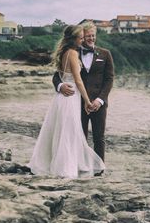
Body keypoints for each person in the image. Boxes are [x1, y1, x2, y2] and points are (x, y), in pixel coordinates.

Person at [29, 25, 105, 178]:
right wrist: (86, 100)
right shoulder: (72, 53)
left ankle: (69, 164)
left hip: (65, 99)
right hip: (70, 97)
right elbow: (77, 80)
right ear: (74, 39)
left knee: (65, 132)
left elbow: (108, 79)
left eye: (87, 37)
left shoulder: (66, 52)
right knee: (68, 133)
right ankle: (66, 168)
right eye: (82, 38)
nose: (84, 40)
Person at [52, 22, 114, 163]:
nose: (91, 38)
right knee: (79, 135)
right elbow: (57, 75)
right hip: (77, 101)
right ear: (81, 37)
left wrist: (100, 100)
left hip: (98, 103)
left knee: (99, 138)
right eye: (87, 36)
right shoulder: (73, 52)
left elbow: (109, 79)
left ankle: (99, 168)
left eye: (93, 35)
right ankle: (80, 165)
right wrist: (60, 85)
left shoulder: (105, 54)